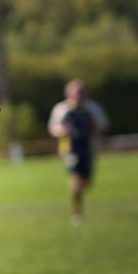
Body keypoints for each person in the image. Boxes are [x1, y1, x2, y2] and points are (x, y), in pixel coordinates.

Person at [48, 78, 108, 225]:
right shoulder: (62, 109)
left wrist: (94, 128)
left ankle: (78, 199)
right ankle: (76, 213)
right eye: (76, 92)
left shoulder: (92, 108)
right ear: (68, 94)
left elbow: (103, 125)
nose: (79, 95)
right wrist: (62, 130)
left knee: (86, 183)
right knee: (76, 179)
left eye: (81, 92)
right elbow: (52, 128)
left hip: (88, 148)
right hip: (69, 149)